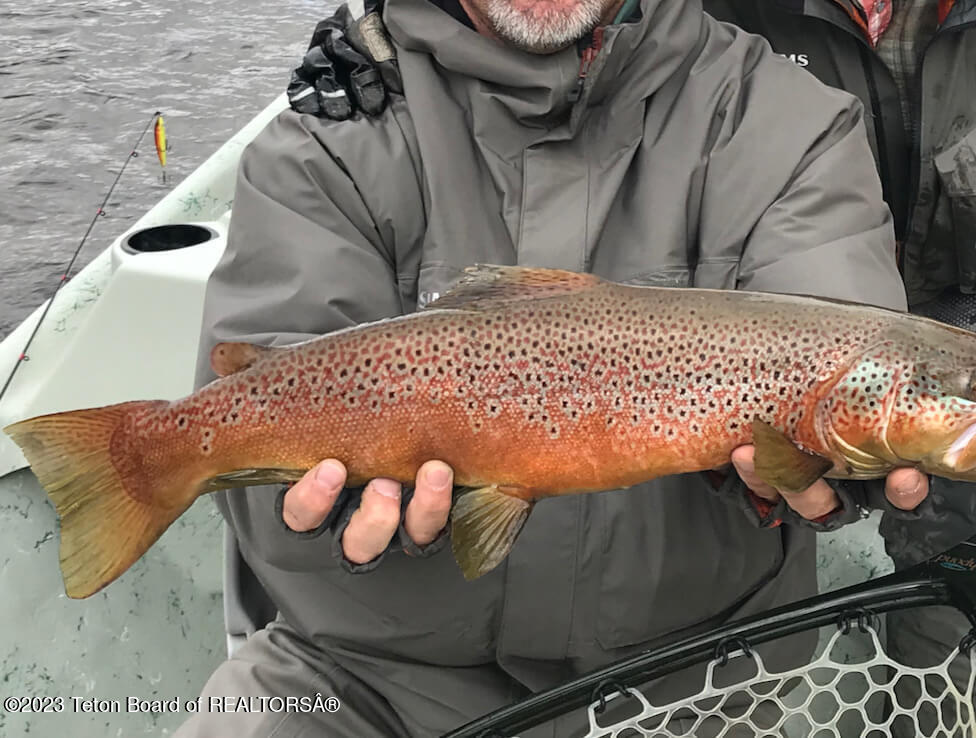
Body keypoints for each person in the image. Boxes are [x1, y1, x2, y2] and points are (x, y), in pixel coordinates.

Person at [284, 0, 976, 735]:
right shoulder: (705, 48)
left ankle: (971, 714)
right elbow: (563, 45)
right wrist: (399, 28)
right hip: (824, 298)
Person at [174, 0, 933, 735]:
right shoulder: (332, 132)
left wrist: (837, 465)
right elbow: (255, 428)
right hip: (364, 682)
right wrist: (318, 509)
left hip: (704, 679)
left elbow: (837, 328)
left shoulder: (787, 121)